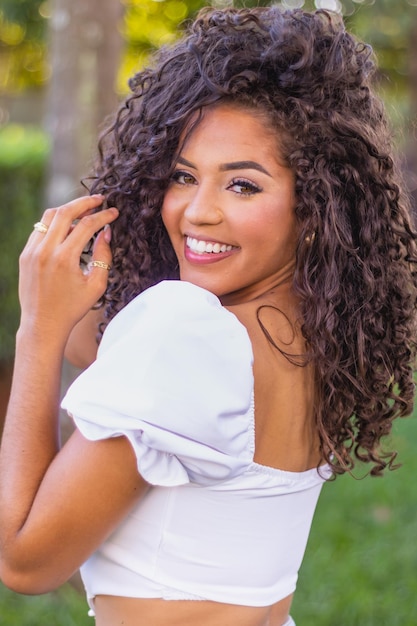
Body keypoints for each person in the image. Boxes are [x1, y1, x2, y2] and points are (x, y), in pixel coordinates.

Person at [0, 6, 416, 626]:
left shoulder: (186, 331)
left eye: (242, 185)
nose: (198, 213)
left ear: (315, 201)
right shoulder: (310, 331)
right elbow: (117, 361)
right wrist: (71, 309)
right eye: (182, 176)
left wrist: (35, 330)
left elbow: (23, 563)